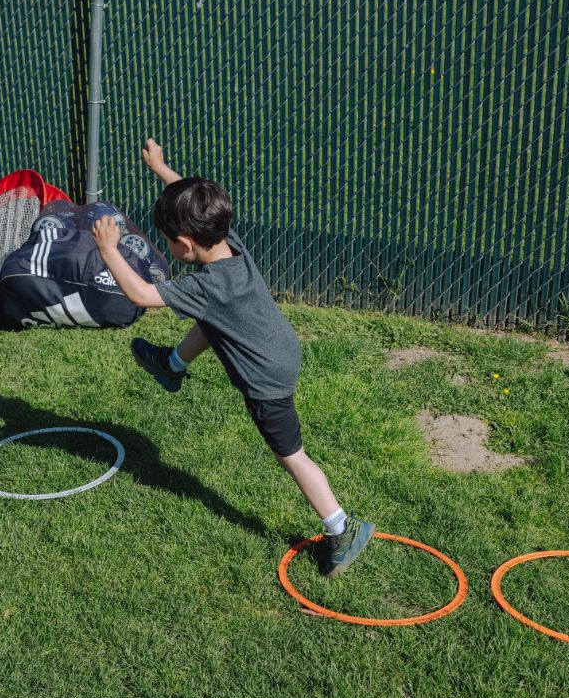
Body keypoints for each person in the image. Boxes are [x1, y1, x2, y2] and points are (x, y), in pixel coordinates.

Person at [91, 138, 374, 578]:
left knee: (292, 455)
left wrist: (109, 249)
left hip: (267, 382)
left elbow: (144, 295)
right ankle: (172, 366)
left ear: (184, 245)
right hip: (282, 348)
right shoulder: (229, 243)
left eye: (169, 242)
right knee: (213, 322)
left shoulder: (206, 286)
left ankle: (341, 528)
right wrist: (163, 170)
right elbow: (195, 200)